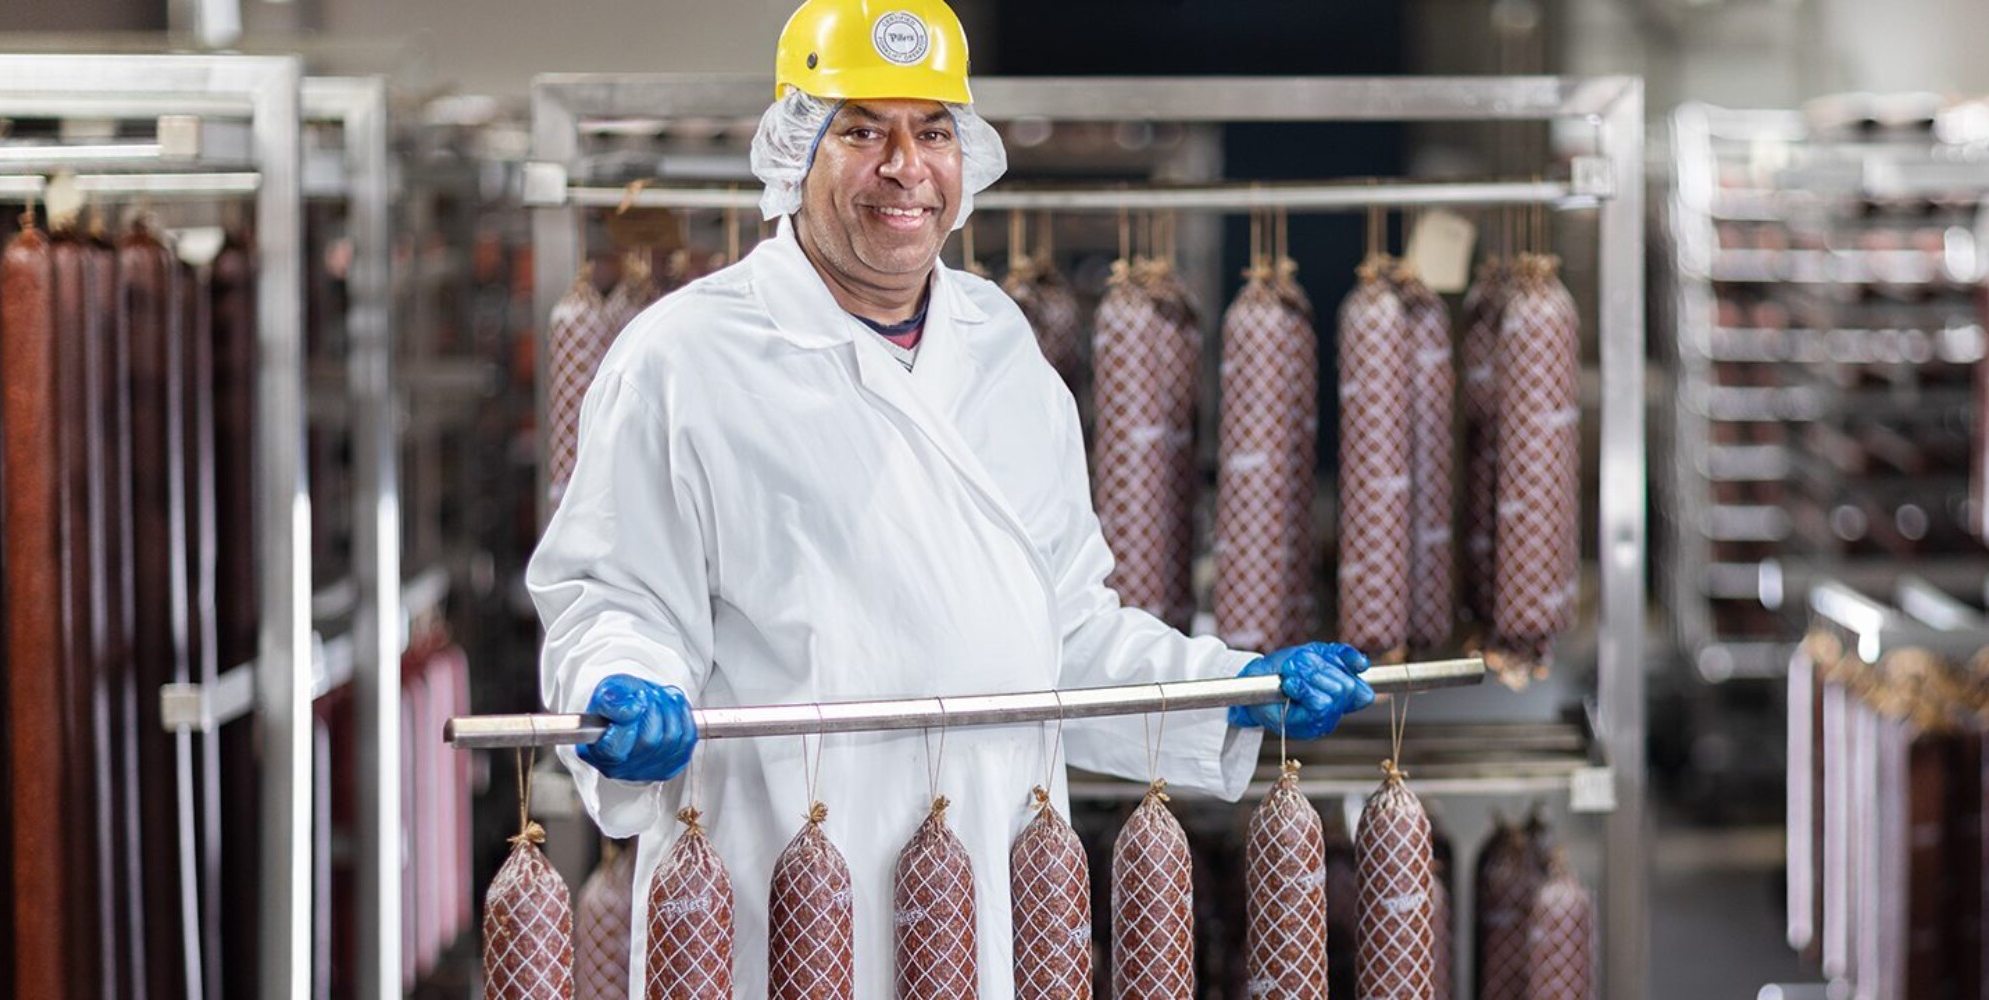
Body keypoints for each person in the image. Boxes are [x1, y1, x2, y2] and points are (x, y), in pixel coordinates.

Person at [527, 2, 1376, 996]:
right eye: (862, 131)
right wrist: (620, 688)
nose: (904, 166)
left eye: (932, 131)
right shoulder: (685, 359)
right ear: (795, 151)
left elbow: (1060, 632)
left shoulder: (1002, 347)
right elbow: (610, 599)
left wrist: (1236, 690)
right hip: (775, 897)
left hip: (994, 875)